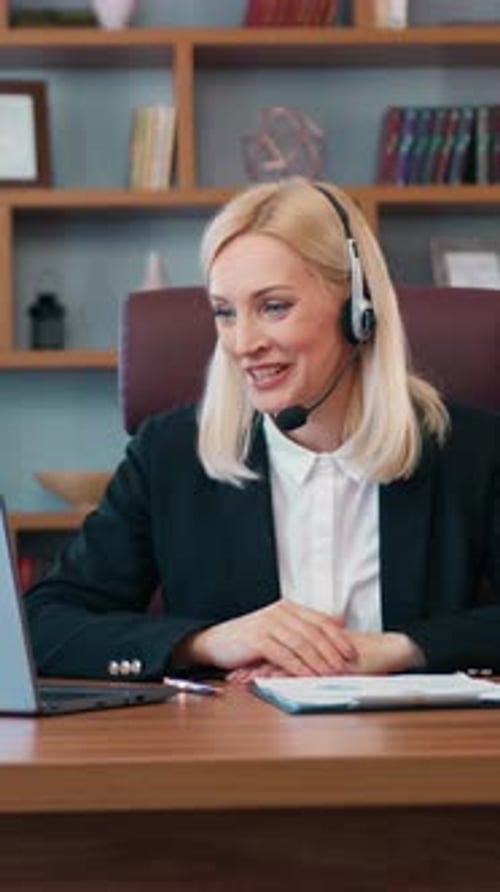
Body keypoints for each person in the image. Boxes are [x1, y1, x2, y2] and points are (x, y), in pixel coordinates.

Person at [26, 177, 500, 683]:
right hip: (237, 733)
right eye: (225, 313)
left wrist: (401, 649)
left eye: (274, 307)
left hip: (418, 735)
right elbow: (44, 624)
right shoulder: (169, 455)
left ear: (357, 311)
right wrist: (206, 642)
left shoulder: (472, 450)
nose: (243, 343)